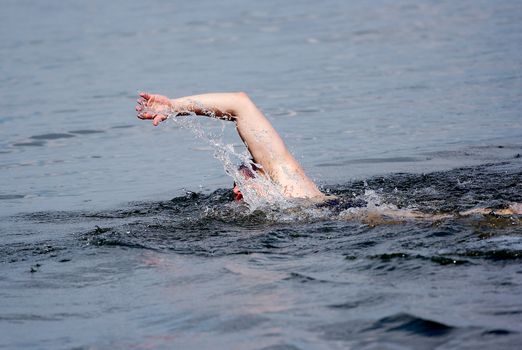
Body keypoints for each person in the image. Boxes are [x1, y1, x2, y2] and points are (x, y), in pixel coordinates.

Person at [135, 92, 522, 217]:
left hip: (358, 217)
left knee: (457, 218)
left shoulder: (293, 193)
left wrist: (178, 105)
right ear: (241, 195)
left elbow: (240, 103)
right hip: (358, 214)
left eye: (246, 172)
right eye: (241, 178)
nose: (242, 180)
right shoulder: (293, 197)